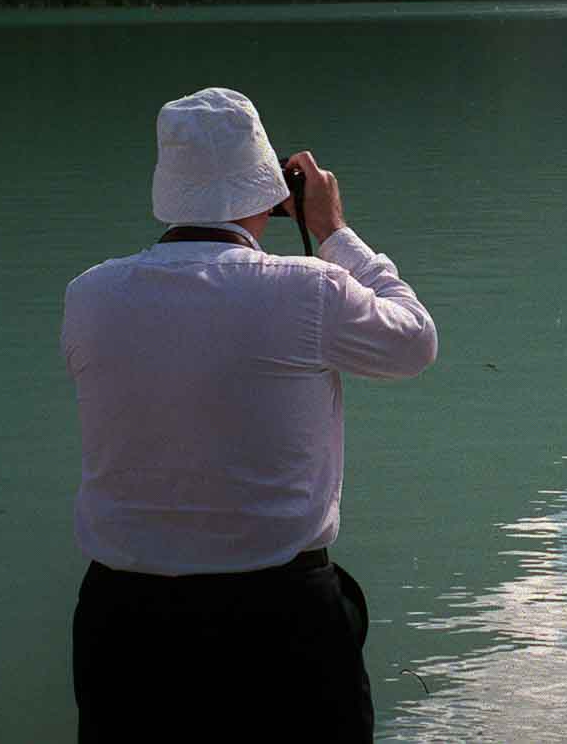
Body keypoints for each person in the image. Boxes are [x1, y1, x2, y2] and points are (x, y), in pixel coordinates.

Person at [62, 87, 436, 741]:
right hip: (280, 619)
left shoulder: (91, 295)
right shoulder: (308, 289)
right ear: (271, 193)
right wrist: (332, 231)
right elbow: (413, 344)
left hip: (123, 622)